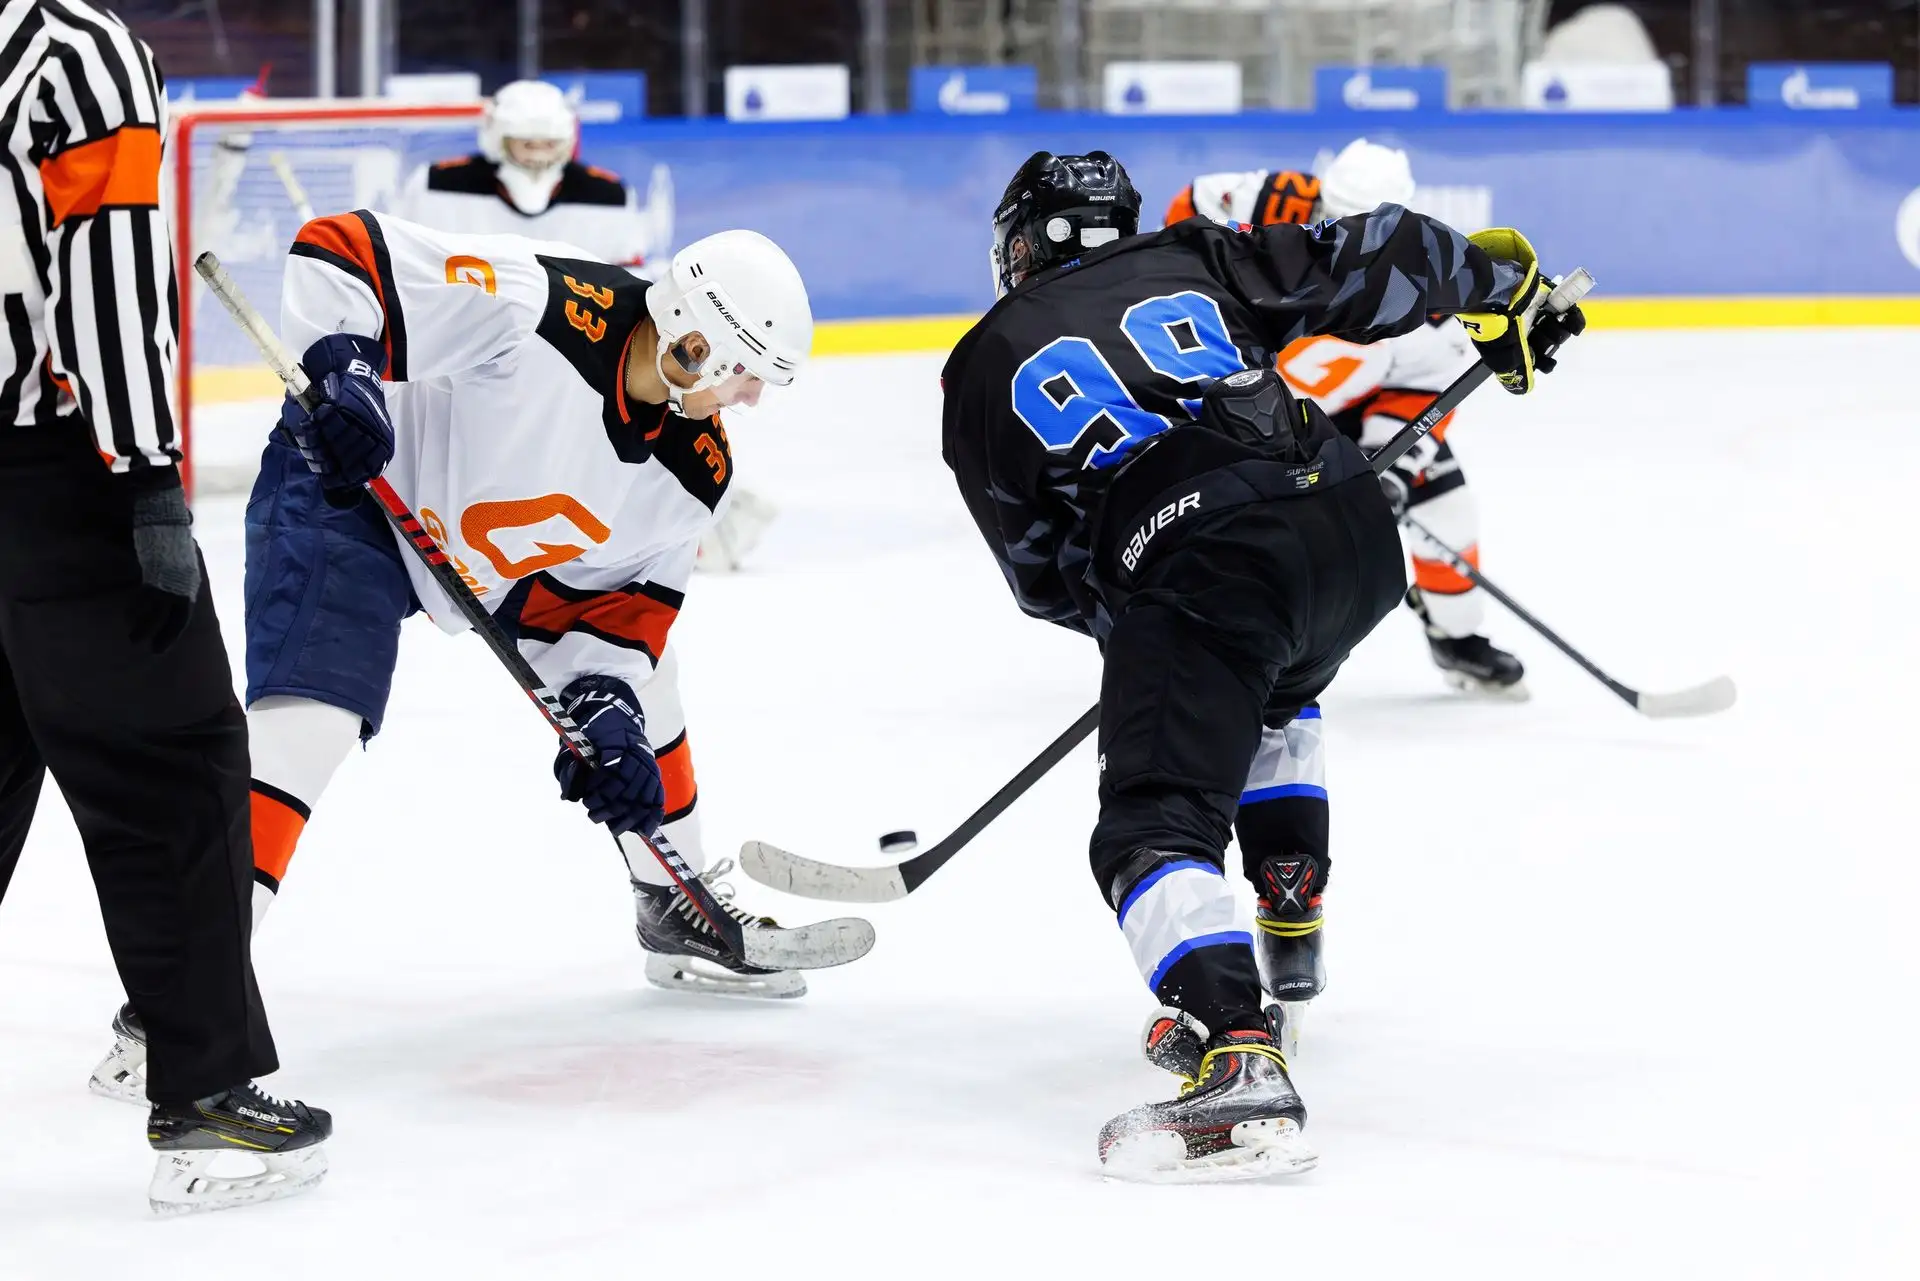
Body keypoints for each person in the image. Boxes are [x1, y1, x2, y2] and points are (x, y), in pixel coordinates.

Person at [943, 151, 1581, 1182]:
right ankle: (1289, 913)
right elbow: (1377, 253)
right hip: (1352, 526)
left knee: (1152, 824)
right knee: (1273, 689)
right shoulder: (1191, 255)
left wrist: (1146, 629)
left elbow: (1038, 573)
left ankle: (1239, 1049)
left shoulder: (981, 364)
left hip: (1206, 555)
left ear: (1022, 244)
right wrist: (1505, 287)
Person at [0, 0, 327, 1214]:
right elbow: (108, 276)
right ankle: (207, 1100)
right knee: (178, 766)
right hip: (58, 472)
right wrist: (145, 477)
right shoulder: (74, 49)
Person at [1167, 138, 1526, 696]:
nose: (1343, 239)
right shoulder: (1265, 200)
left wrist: (1388, 470)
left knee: (1448, 509)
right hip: (1234, 406)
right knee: (1219, 530)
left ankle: (1455, 636)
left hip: (1344, 419)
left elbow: (1420, 391)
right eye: (1332, 216)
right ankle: (1187, 640)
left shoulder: (1427, 294)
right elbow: (1182, 216)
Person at [392, 80, 775, 573]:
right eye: (525, 144)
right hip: (472, 352)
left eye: (548, 144)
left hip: (579, 356)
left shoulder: (607, 196)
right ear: (496, 138)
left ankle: (680, 530)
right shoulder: (435, 185)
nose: (537, 157)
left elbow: (637, 299)